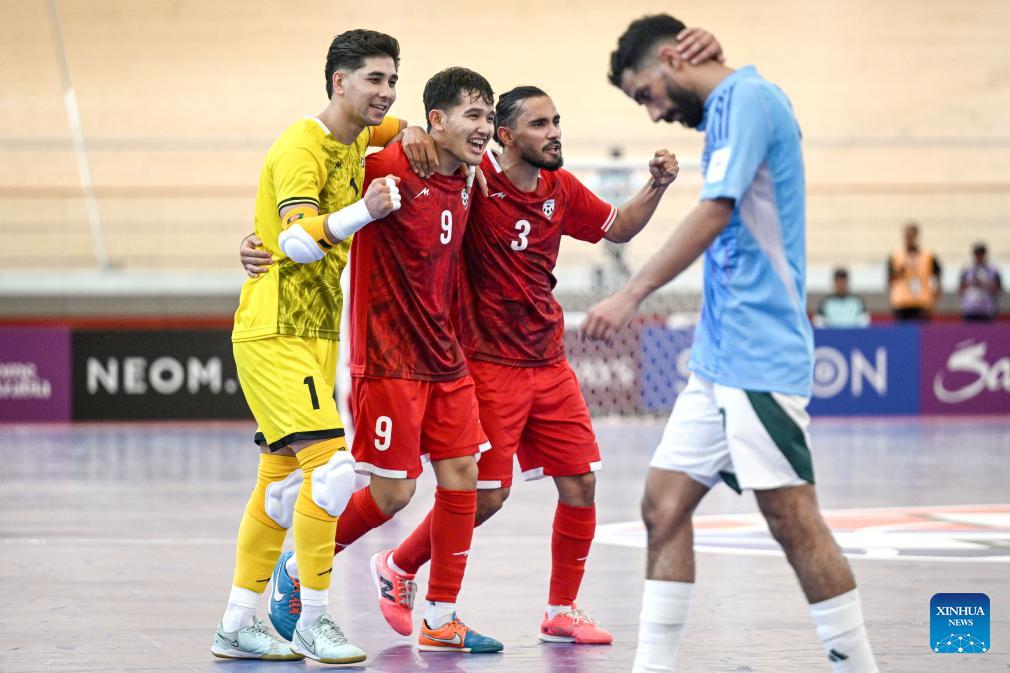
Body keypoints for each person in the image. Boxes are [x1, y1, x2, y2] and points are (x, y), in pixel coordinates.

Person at [582, 14, 878, 673]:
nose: (654, 114)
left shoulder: (750, 99)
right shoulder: (722, 111)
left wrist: (632, 293)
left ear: (670, 58)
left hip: (759, 352)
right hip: (717, 359)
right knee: (662, 506)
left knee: (792, 517)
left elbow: (715, 211)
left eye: (646, 94)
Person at [365, 83, 682, 647]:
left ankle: (561, 610)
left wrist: (656, 186)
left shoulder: (562, 187)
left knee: (581, 483)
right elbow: (433, 147)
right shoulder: (475, 178)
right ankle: (399, 565)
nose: (555, 133)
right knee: (486, 496)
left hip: (550, 361)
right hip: (487, 364)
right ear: (506, 136)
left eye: (556, 121)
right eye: (540, 124)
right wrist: (408, 130)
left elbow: (618, 227)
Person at [270, 66, 504, 654]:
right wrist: (258, 245)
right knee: (393, 495)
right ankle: (299, 566)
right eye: (473, 115)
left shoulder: (469, 175)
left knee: (464, 479)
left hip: (446, 358)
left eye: (489, 116)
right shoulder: (385, 167)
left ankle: (440, 616)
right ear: (437, 120)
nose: (484, 127)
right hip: (389, 358)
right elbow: (311, 209)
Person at [218, 28, 407, 664]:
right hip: (275, 331)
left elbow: (412, 130)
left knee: (279, 490)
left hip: (317, 332)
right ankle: (313, 621)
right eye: (374, 79)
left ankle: (234, 626)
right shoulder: (301, 145)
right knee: (331, 473)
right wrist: (366, 210)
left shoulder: (361, 135)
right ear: (338, 82)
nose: (385, 92)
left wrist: (430, 133)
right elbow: (297, 241)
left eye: (392, 80)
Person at [887, 221, 941, 321]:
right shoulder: (896, 255)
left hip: (922, 301)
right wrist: (900, 271)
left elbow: (937, 276)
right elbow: (889, 279)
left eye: (912, 236)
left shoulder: (928, 255)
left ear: (917, 236)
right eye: (907, 236)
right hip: (901, 301)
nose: (909, 239)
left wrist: (935, 298)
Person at [959, 242, 1002, 322]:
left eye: (981, 254)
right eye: (977, 254)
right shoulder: (967, 269)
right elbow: (961, 289)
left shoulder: (993, 270)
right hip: (970, 309)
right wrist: (971, 283)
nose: (979, 257)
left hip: (987, 310)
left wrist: (985, 285)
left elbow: (998, 290)